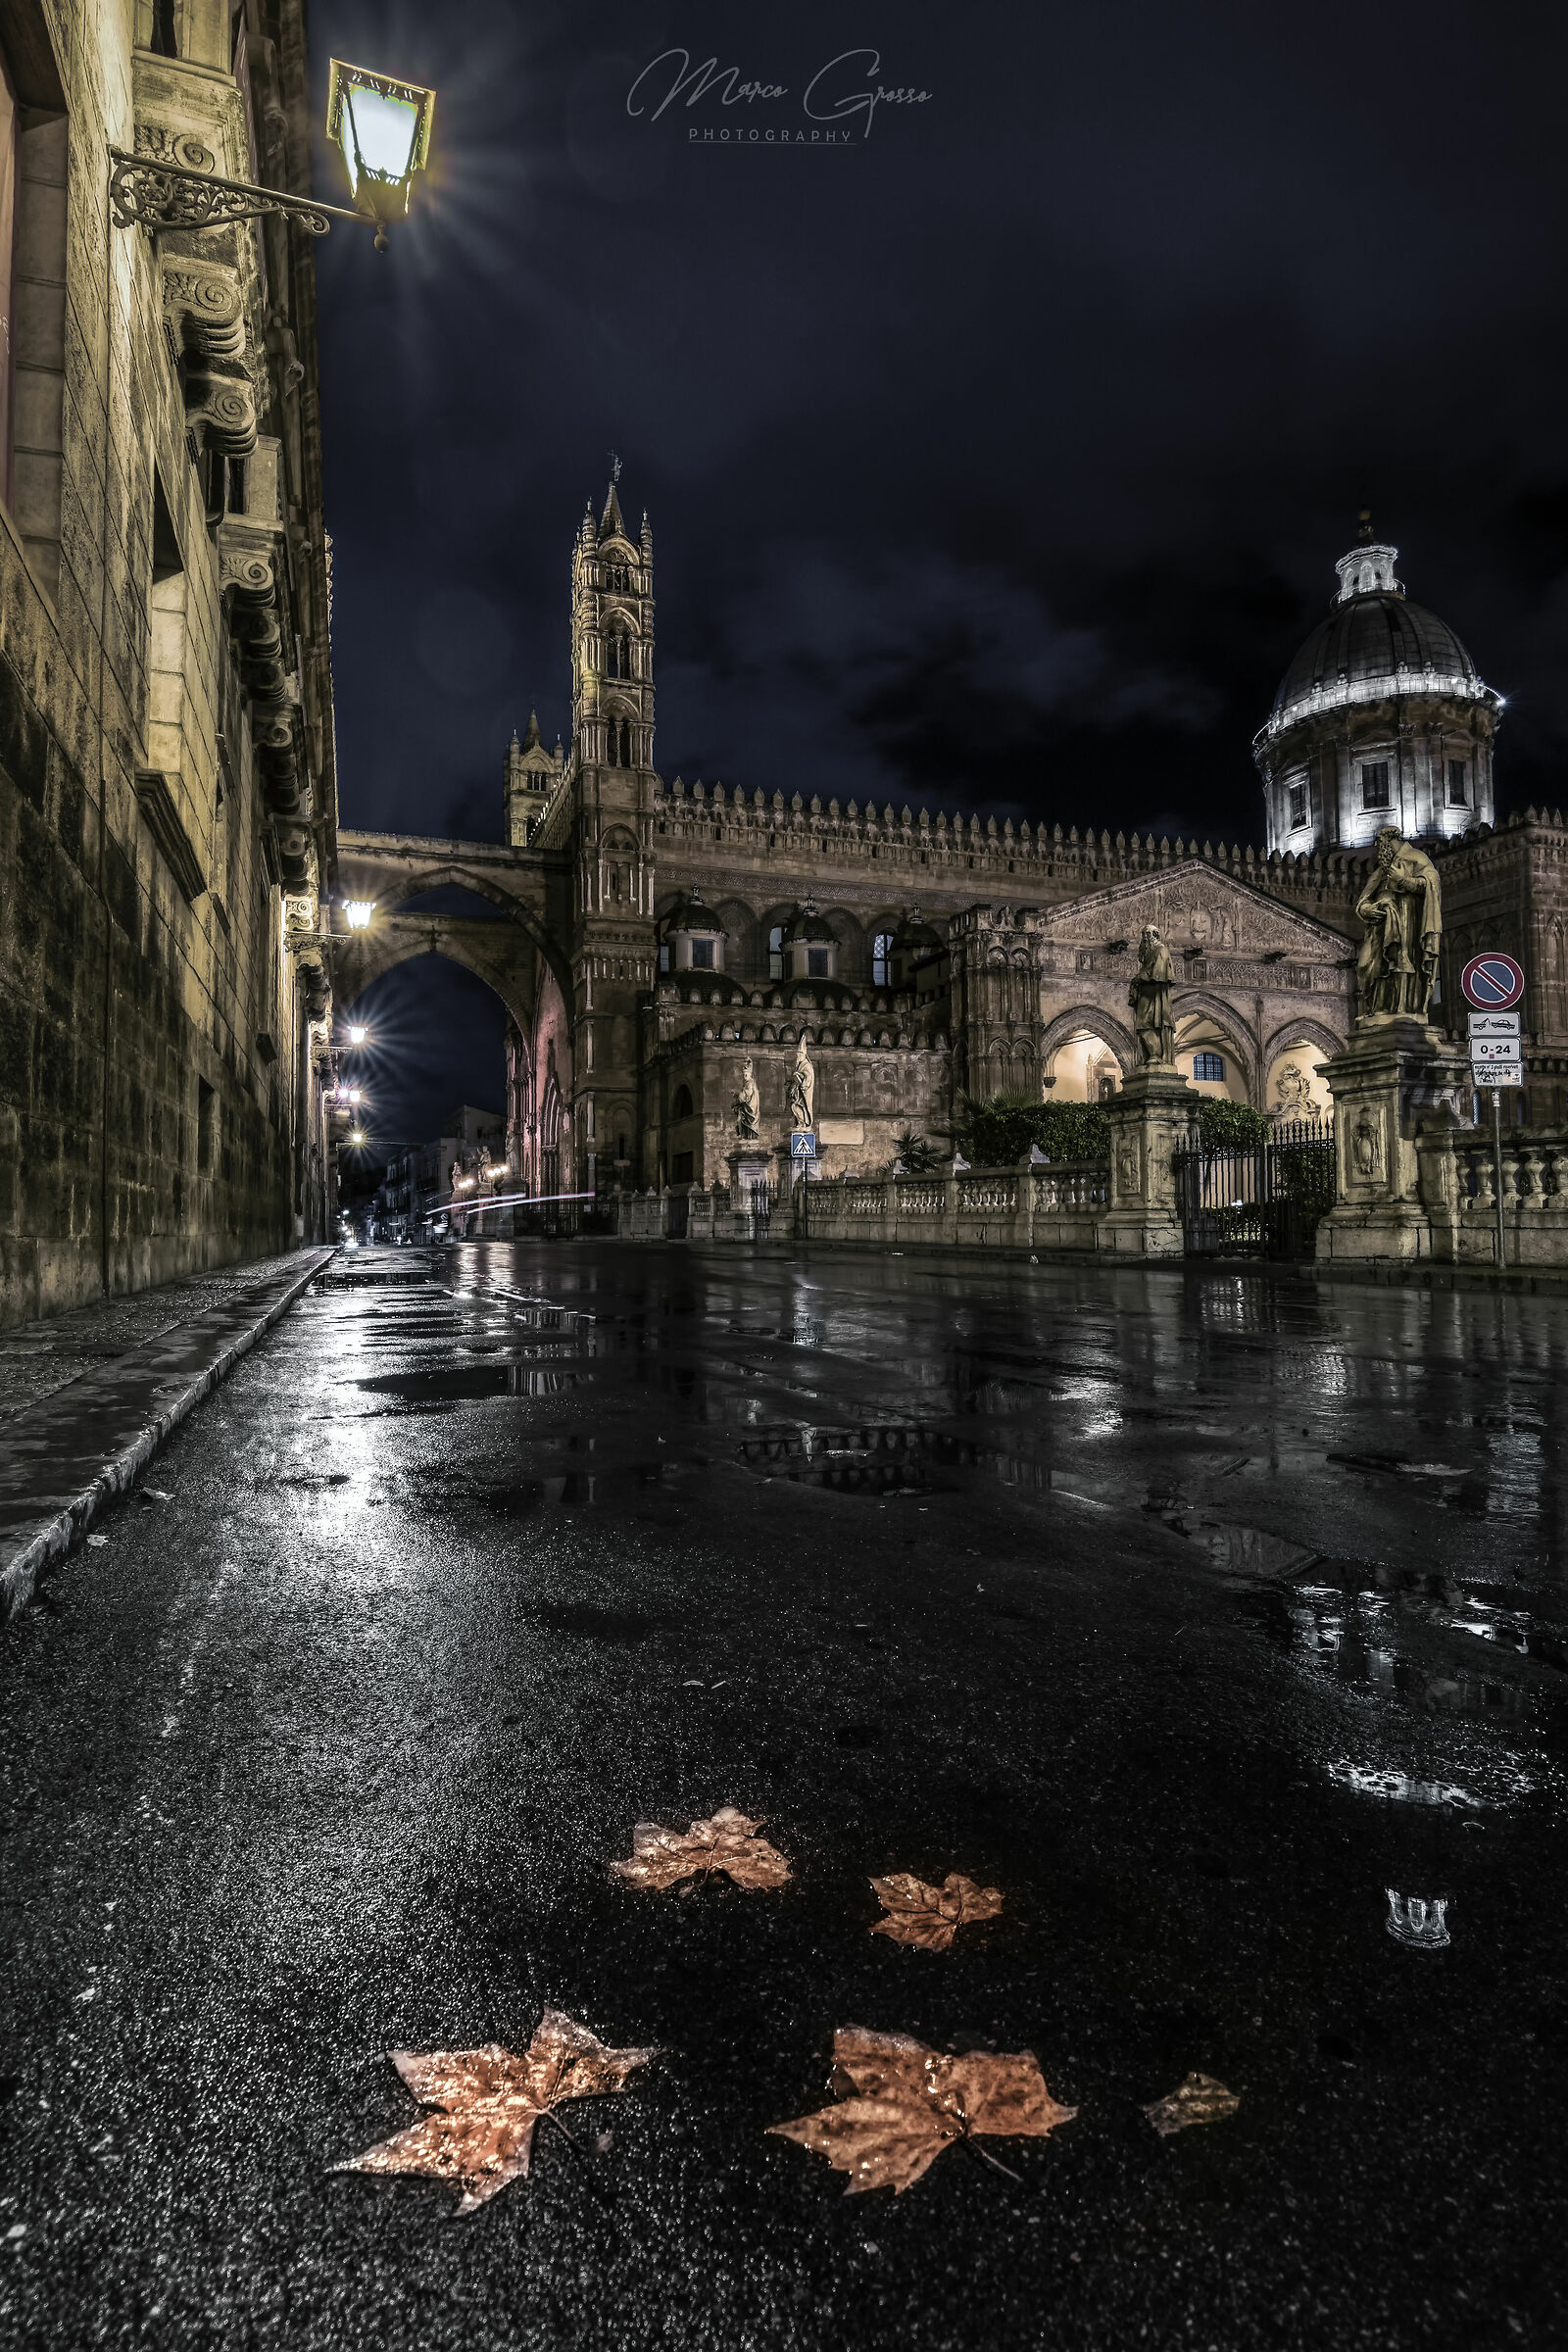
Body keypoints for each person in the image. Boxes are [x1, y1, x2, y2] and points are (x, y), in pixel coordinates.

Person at [1354, 827, 1442, 1020]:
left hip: (1407, 919)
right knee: (1367, 965)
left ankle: (1402, 1008)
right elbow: (1363, 899)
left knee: (1402, 962)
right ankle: (1378, 1008)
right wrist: (1366, 909)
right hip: (1379, 925)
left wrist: (1403, 881)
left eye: (1380, 841)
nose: (1378, 846)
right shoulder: (1381, 870)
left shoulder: (1417, 858)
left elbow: (1430, 883)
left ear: (1389, 839)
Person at [1128, 926, 1175, 1065]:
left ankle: (1156, 1054)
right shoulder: (1150, 953)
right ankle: (1150, 1054)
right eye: (1143, 934)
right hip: (1146, 994)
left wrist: (1140, 977)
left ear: (1155, 935)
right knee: (1142, 1025)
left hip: (1155, 997)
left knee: (1149, 1023)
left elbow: (1158, 973)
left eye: (1147, 934)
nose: (1144, 937)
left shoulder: (1161, 950)